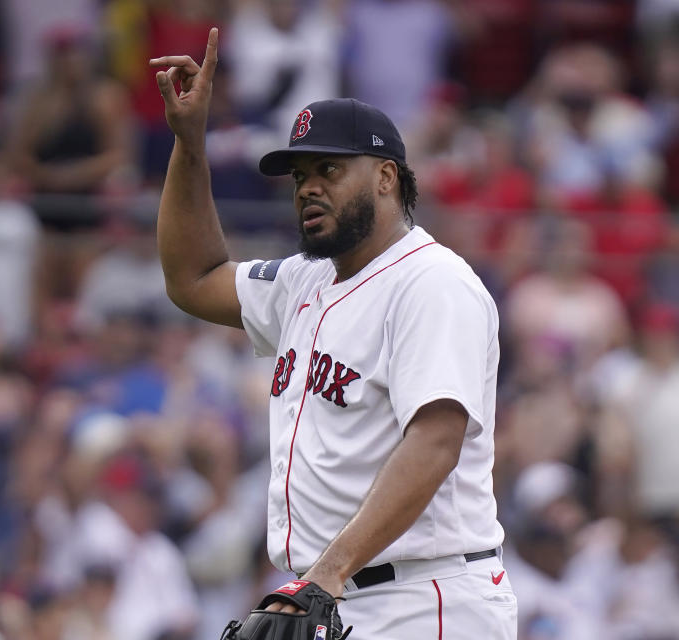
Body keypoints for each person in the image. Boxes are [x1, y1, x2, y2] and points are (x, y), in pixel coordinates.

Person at [149, 28, 516, 639]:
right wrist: (190, 144)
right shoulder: (302, 282)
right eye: (298, 176)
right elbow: (193, 278)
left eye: (328, 169)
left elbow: (435, 442)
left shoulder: (432, 282)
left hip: (424, 599)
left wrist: (326, 574)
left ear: (386, 178)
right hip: (335, 598)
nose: (308, 187)